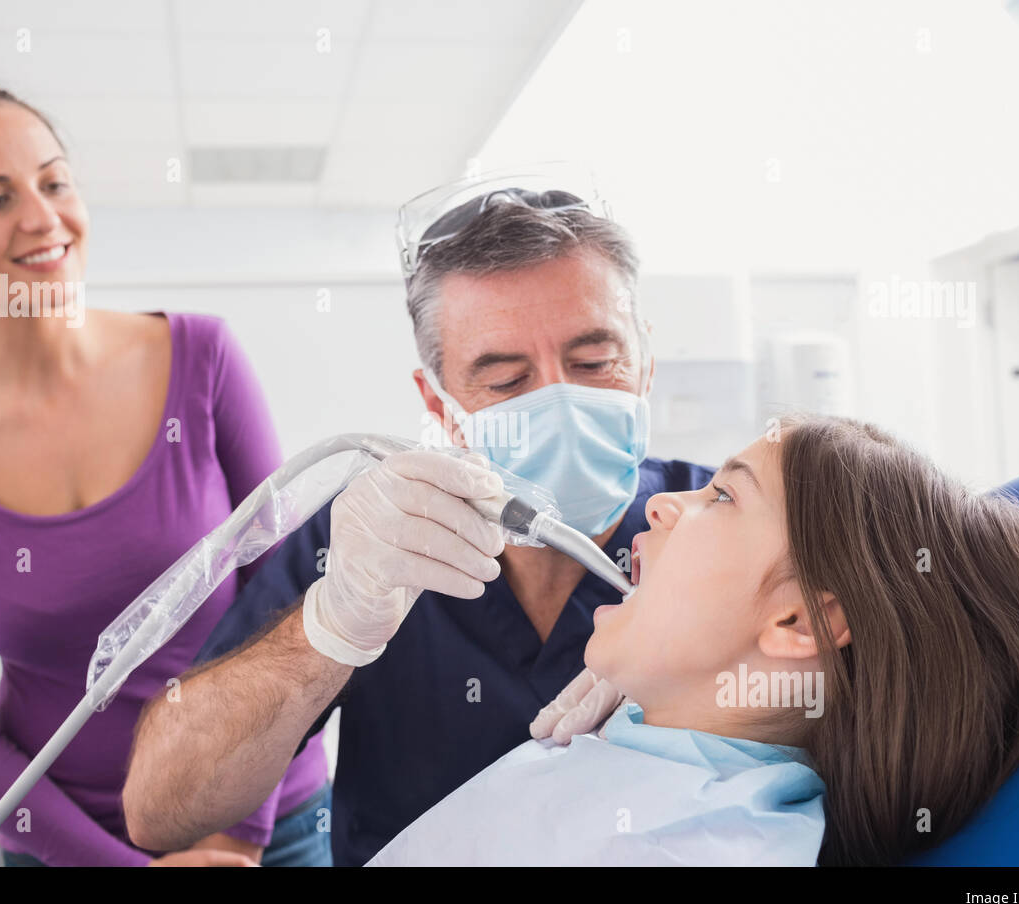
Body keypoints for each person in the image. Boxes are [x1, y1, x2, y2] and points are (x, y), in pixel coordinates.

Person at [122, 172, 715, 865]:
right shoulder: (373, 536)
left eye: (594, 360)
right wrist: (331, 627)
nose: (561, 402)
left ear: (645, 361)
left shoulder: (725, 529)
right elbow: (159, 811)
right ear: (439, 406)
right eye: (506, 381)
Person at [0, 85, 328, 866]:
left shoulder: (203, 359)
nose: (42, 217)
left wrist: (234, 838)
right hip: (71, 846)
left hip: (274, 828)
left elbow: (288, 607)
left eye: (54, 181)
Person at [368, 415, 1019, 865]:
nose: (659, 502)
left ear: (799, 623)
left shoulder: (699, 847)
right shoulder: (665, 740)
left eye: (721, 496)